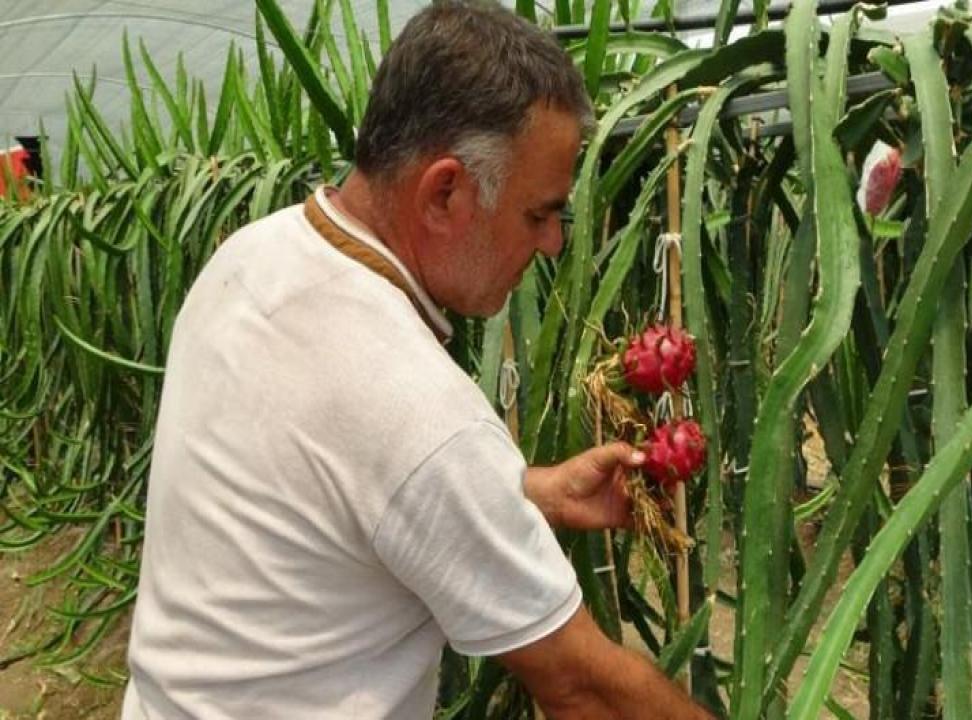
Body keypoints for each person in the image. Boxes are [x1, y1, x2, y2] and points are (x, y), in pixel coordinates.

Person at [121, 2, 714, 718]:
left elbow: (337, 485)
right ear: (444, 193)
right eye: (539, 213)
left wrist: (531, 493)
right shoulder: (412, 404)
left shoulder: (250, 258)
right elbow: (582, 687)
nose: (554, 242)